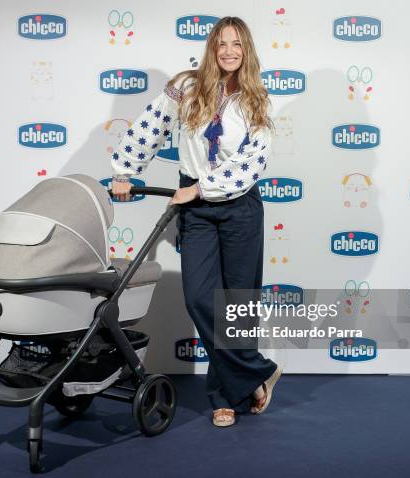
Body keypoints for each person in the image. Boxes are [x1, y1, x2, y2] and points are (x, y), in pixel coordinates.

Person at [110, 16, 282, 427]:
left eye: (237, 44)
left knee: (237, 304)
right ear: (211, 47)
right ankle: (258, 371)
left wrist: (200, 189)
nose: (228, 52)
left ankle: (226, 395)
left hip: (240, 207)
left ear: (247, 50)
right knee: (201, 299)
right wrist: (124, 170)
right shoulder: (187, 85)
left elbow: (251, 164)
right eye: (222, 43)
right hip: (198, 210)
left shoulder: (257, 97)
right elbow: (151, 126)